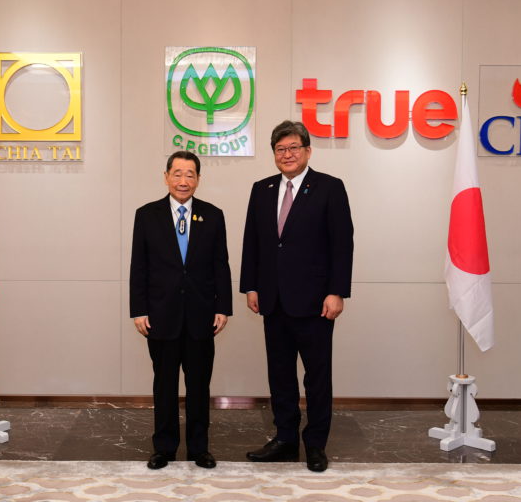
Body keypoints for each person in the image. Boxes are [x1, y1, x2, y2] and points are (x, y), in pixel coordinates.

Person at [240, 120, 354, 472]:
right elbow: (252, 241)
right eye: (280, 149)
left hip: (316, 302)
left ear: (307, 151)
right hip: (272, 300)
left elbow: (342, 244)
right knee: (280, 376)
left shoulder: (329, 188)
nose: (287, 154)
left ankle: (315, 444)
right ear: (274, 154)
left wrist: (337, 291)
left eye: (293, 148)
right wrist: (251, 285)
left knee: (317, 377)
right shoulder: (262, 189)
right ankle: (285, 438)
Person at [129, 151, 232, 470]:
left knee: (199, 386)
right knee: (164, 385)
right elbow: (139, 266)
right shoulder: (147, 215)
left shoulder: (213, 215)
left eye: (190, 174)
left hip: (202, 315)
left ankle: (200, 448)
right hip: (161, 315)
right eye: (177, 173)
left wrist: (223, 306)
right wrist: (138, 309)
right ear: (166, 177)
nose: (183, 180)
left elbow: (221, 264)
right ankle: (164, 448)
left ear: (198, 179)